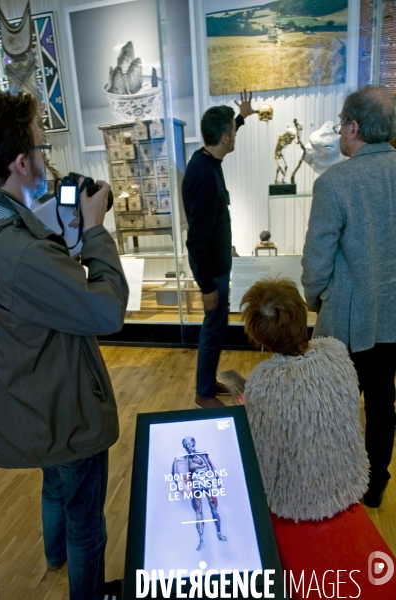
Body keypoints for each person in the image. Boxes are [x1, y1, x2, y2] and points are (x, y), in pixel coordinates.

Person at [0, 91, 129, 600]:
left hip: (32, 400)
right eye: (40, 147)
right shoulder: (18, 251)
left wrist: (55, 237)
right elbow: (106, 311)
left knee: (54, 482)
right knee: (86, 521)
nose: (47, 157)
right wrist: (94, 230)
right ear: (20, 162)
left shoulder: (11, 231)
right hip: (64, 409)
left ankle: (53, 556)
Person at [301, 85, 396, 509]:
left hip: (348, 320)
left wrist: (313, 297)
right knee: (382, 401)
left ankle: (336, 484)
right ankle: (376, 483)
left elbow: (317, 258)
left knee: (334, 404)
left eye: (341, 124)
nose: (339, 132)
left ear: (354, 127)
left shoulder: (334, 182)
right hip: (392, 317)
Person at [241, 278, 369, 522]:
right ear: (302, 314)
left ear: (258, 335)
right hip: (350, 481)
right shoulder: (337, 352)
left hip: (298, 502)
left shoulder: (264, 383)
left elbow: (263, 457)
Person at [182, 90, 257, 409]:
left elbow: (212, 226)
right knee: (214, 331)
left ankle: (206, 381)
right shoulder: (204, 175)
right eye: (233, 130)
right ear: (225, 138)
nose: (235, 134)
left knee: (215, 330)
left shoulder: (209, 157)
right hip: (212, 273)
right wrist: (207, 286)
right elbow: (195, 240)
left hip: (218, 265)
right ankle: (204, 395)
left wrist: (241, 116)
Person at [172, 437, 227, 550]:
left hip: (207, 483)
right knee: (198, 513)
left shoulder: (204, 455)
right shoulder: (184, 460)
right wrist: (182, 486)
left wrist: (218, 480)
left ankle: (219, 533)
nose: (188, 447)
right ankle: (201, 540)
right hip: (195, 486)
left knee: (214, 509)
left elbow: (212, 468)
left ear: (193, 444)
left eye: (190, 445)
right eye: (186, 446)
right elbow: (180, 474)